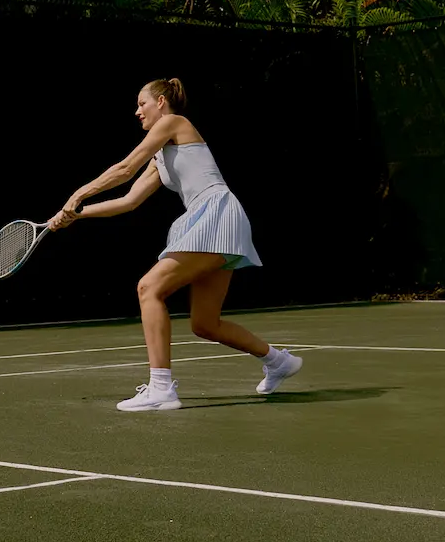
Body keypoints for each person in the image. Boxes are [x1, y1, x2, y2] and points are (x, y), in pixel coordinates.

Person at [50, 77, 303, 411]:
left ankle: (161, 388)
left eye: (141, 104)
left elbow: (125, 169)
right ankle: (277, 361)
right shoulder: (161, 156)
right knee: (205, 324)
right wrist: (78, 214)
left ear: (160, 102)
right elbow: (129, 200)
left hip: (216, 214)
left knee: (148, 288)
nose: (136, 111)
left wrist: (78, 193)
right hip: (214, 220)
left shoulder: (174, 122)